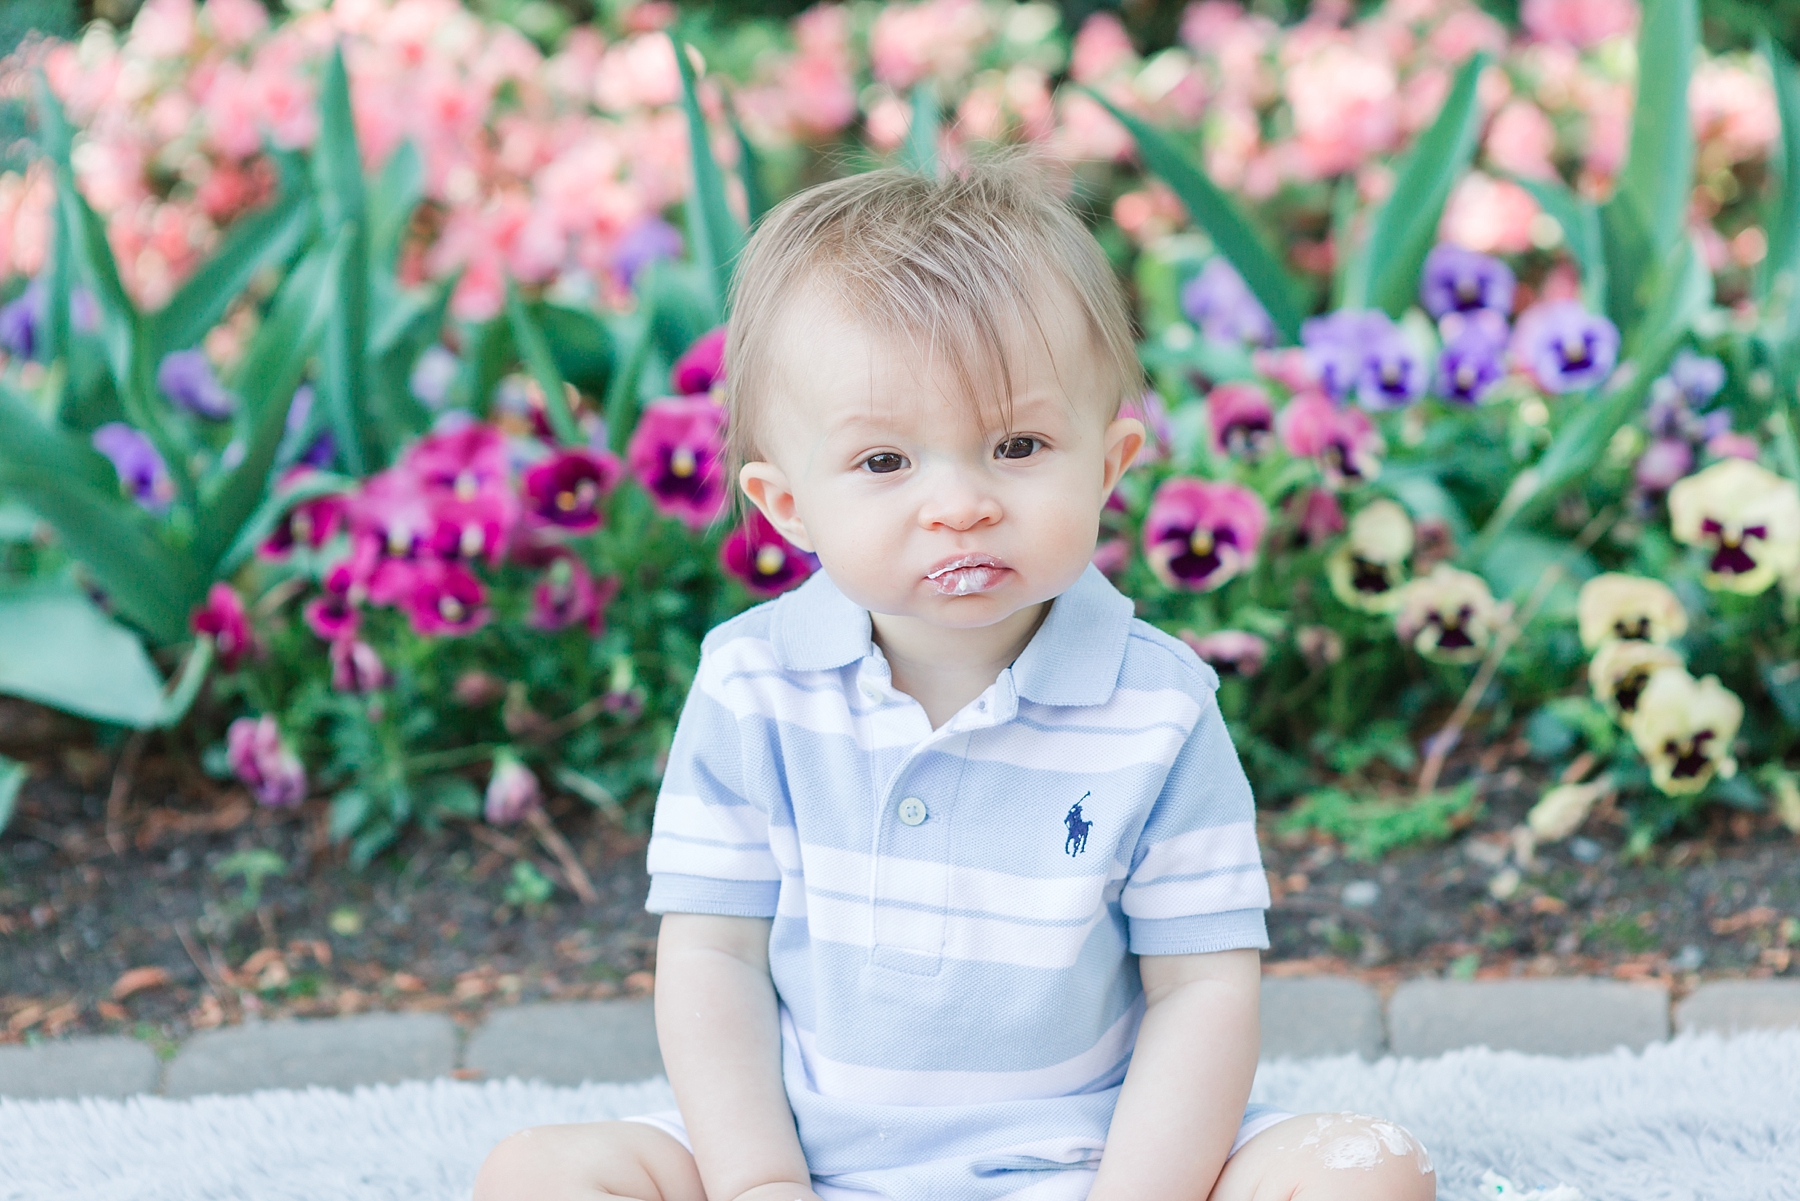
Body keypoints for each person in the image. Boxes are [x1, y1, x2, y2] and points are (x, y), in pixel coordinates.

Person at [474, 155, 1435, 1201]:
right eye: (887, 462)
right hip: (808, 1156)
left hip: (1092, 1159)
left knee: (1366, 1171)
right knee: (536, 1176)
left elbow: (1201, 989)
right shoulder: (753, 687)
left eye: (1017, 444)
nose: (961, 503)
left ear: (1109, 465)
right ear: (787, 505)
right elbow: (713, 960)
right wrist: (757, 1181)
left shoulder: (1157, 708)